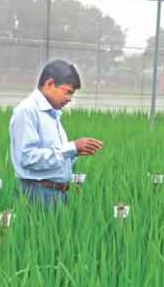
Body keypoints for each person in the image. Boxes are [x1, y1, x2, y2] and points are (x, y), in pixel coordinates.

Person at [9, 59, 103, 210]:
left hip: (56, 194)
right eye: (67, 92)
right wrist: (71, 148)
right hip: (38, 194)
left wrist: (75, 152)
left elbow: (54, 158)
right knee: (38, 233)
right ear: (50, 84)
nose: (69, 99)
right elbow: (28, 158)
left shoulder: (52, 114)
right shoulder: (28, 111)